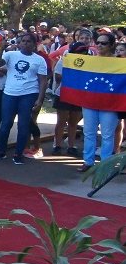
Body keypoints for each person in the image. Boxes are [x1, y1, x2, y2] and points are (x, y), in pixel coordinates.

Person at [0, 34, 48, 165]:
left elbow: (43, 81)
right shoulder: (11, 55)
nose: (25, 43)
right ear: (19, 43)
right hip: (10, 94)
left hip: (29, 94)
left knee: (23, 125)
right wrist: (0, 50)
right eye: (23, 41)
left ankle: (18, 153)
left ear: (34, 44)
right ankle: (0, 151)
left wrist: (39, 100)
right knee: (5, 124)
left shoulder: (39, 60)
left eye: (29, 41)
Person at [79, 32, 120, 172]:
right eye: (98, 43)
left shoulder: (119, 62)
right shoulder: (90, 61)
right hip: (90, 102)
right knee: (89, 132)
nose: (100, 45)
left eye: (104, 43)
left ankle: (105, 165)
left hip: (110, 104)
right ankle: (88, 161)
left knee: (107, 134)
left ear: (112, 45)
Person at [51, 41, 88, 156]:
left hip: (78, 95)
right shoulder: (64, 60)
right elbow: (58, 77)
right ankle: (57, 145)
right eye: (79, 51)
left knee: (73, 121)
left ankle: (71, 146)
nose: (82, 53)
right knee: (61, 121)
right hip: (63, 93)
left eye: (84, 51)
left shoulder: (89, 62)